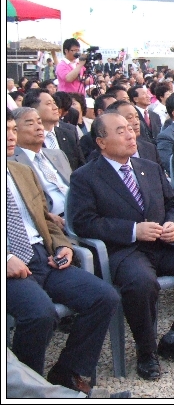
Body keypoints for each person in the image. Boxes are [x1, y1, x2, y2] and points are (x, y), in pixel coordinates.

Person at [68, 113, 174, 380]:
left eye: (131, 129)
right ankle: (146, 350)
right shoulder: (85, 176)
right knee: (141, 283)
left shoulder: (148, 167)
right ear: (101, 142)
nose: (131, 135)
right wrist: (132, 230)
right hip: (125, 249)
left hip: (165, 243)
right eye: (121, 131)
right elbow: (83, 223)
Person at [6, 109, 120, 394]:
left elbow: (44, 219)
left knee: (103, 296)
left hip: (42, 256)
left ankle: (67, 374)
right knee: (40, 314)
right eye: (4, 131)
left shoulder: (20, 171)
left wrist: (63, 245)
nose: (10, 136)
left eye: (11, 129)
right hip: (10, 266)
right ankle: (28, 389)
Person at [10, 107, 71, 225]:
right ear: (15, 131)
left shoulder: (57, 154)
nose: (39, 127)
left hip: (79, 214)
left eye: (39, 122)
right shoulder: (12, 163)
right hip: (51, 223)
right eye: (30, 124)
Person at [22, 89, 86, 171]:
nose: (55, 108)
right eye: (49, 104)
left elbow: (81, 167)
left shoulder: (69, 134)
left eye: (54, 103)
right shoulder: (27, 138)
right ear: (33, 109)